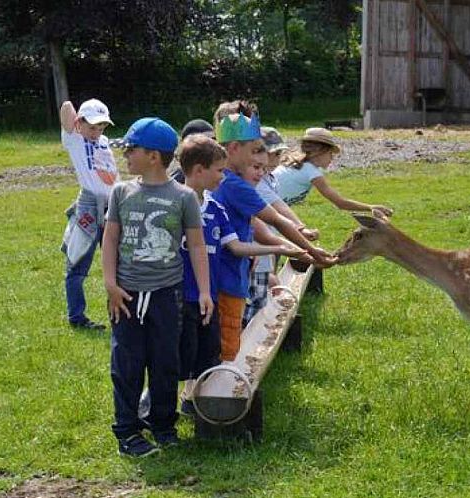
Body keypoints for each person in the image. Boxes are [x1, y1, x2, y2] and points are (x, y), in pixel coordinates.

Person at [102, 117, 213, 457]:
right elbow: (110, 239)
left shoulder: (183, 197)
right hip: (126, 296)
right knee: (127, 364)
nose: (125, 156)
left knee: (166, 362)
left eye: (131, 150)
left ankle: (162, 425)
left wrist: (205, 291)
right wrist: (110, 284)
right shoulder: (121, 192)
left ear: (153, 156)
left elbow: (196, 246)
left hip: (168, 294)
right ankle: (128, 432)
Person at [177, 134, 306, 414]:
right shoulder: (175, 205)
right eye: (219, 171)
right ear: (199, 170)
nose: (223, 178)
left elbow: (235, 246)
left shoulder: (216, 208)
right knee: (182, 350)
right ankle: (178, 398)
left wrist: (281, 246)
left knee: (211, 348)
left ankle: (198, 397)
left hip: (209, 293)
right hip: (181, 294)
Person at [210, 102, 335, 362]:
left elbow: (260, 229)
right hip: (226, 276)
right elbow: (276, 220)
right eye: (253, 150)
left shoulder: (223, 180)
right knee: (224, 344)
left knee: (218, 340)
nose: (258, 157)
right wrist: (310, 251)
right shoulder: (235, 185)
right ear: (234, 149)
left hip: (231, 272)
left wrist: (301, 251)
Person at [245, 126, 320, 322]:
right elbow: (278, 210)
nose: (278, 158)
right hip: (256, 246)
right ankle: (251, 332)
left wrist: (299, 230)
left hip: (267, 243)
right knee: (256, 297)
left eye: (279, 153)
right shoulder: (258, 182)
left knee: (267, 275)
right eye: (274, 154)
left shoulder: (270, 178)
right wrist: (300, 229)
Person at [59, 98, 118, 330]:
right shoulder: (74, 139)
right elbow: (65, 107)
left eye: (101, 126)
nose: (97, 132)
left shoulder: (104, 141)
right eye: (92, 126)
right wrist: (75, 123)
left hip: (111, 203)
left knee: (116, 262)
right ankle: (77, 317)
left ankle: (118, 311)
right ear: (79, 123)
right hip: (89, 205)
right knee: (78, 262)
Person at [273, 127, 393, 216]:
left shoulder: (297, 165)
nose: (332, 158)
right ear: (318, 151)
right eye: (330, 153)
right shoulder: (311, 172)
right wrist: (370, 207)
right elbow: (340, 203)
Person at [168, 119, 216, 183]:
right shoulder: (176, 183)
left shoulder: (218, 174)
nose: (212, 149)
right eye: (204, 145)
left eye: (214, 141)